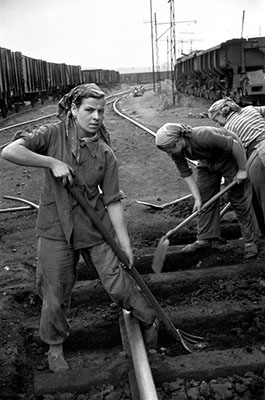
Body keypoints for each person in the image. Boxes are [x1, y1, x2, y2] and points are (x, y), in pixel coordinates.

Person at [1, 83, 158, 373]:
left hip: (94, 227)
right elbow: (10, 151)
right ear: (73, 110)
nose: (97, 116)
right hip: (55, 227)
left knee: (117, 282)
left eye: (100, 111)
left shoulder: (105, 153)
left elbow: (112, 201)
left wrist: (124, 243)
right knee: (55, 291)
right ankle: (55, 345)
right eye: (89, 110)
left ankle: (150, 319)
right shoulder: (52, 134)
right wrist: (51, 162)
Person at [155, 122, 259, 258]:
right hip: (207, 161)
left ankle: (250, 242)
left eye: (169, 150)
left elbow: (234, 144)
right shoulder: (176, 152)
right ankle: (204, 239)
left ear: (178, 141)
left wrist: (242, 169)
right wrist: (197, 198)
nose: (169, 154)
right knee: (204, 200)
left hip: (230, 156)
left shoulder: (203, 136)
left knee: (238, 199)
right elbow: (186, 173)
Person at [208, 98, 265, 236]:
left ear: (222, 114)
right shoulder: (250, 109)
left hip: (258, 155)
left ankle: (262, 231)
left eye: (216, 120)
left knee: (257, 196)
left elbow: (232, 156)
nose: (217, 124)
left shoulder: (227, 129)